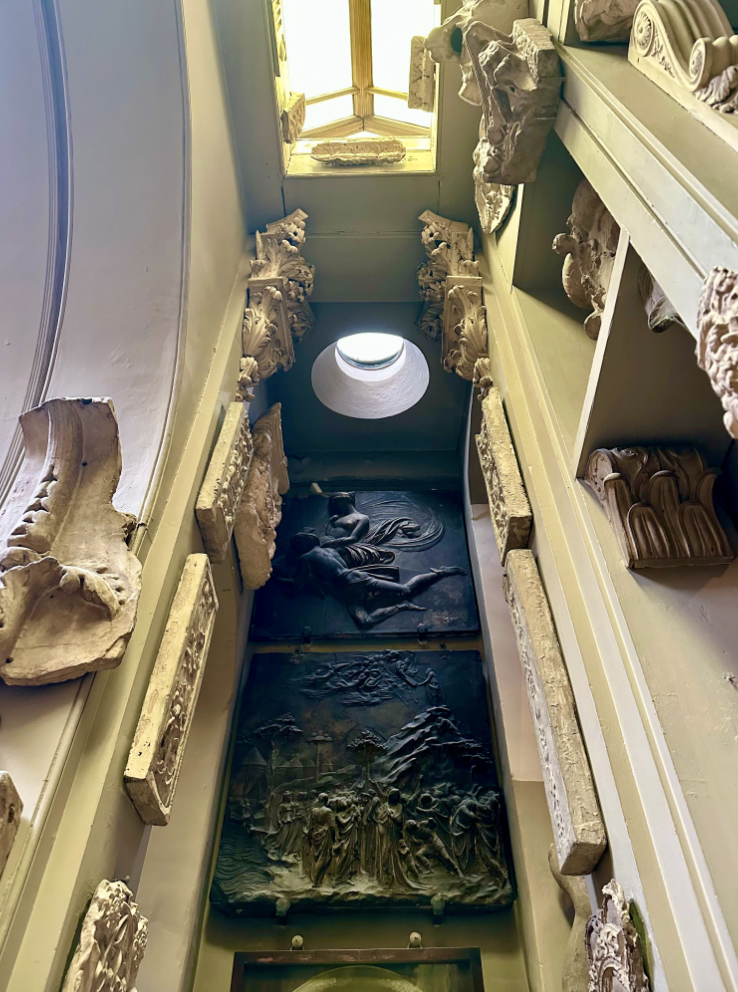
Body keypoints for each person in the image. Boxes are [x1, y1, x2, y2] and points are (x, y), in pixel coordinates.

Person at [280, 532, 466, 630]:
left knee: (370, 617)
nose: (294, 547)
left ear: (302, 544)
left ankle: (440, 573)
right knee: (367, 619)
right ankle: (403, 605)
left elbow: (296, 585)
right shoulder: (329, 550)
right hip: (354, 583)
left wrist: (279, 579)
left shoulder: (305, 558)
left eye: (296, 544)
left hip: (351, 583)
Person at [302, 793, 336, 887]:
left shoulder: (313, 811)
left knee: (319, 857)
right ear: (326, 800)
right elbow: (332, 826)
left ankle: (319, 880)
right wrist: (334, 837)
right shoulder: (327, 811)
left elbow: (310, 825)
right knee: (323, 857)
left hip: (315, 834)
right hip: (324, 834)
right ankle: (316, 881)